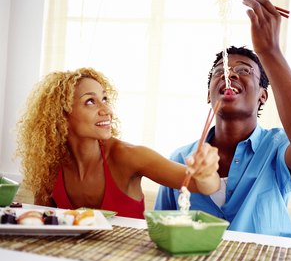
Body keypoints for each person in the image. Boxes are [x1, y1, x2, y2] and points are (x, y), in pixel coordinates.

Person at [155, 0, 291, 237]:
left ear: (263, 96)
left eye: (244, 70)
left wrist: (270, 51)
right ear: (208, 95)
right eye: (220, 72)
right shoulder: (180, 159)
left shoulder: (276, 148)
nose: (230, 74)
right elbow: (163, 234)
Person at [16, 67, 220, 219]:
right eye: (90, 101)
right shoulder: (50, 165)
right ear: (60, 116)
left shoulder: (128, 156)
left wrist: (205, 174)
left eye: (105, 99)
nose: (106, 110)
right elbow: (42, 222)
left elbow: (206, 186)